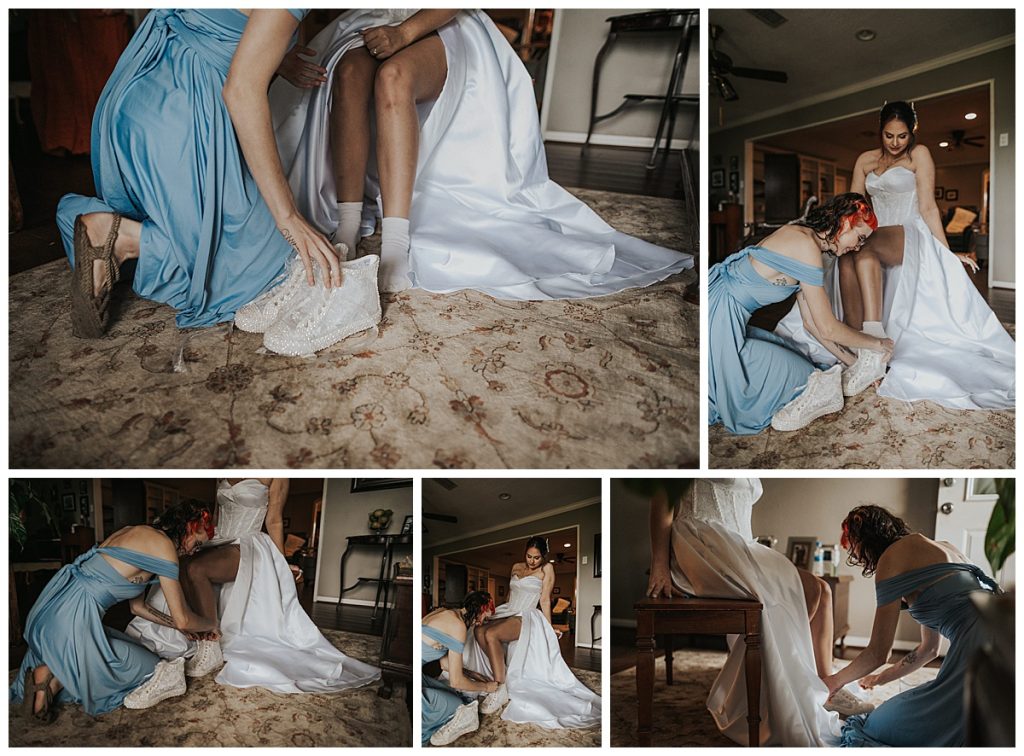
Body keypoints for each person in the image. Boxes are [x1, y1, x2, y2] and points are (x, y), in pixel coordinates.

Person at [268, 9, 692, 303]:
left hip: (441, 23)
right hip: (365, 22)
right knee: (348, 73)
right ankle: (347, 224)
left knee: (393, 78)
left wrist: (404, 33)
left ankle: (396, 244)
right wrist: (280, 54)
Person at [58, 10, 344, 338]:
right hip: (180, 119)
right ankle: (122, 235)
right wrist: (288, 215)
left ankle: (121, 233)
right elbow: (240, 91)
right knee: (265, 271)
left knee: (228, 246)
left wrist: (269, 54)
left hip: (133, 102)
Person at [776, 101, 1014, 406]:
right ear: (880, 131)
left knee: (865, 249)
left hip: (908, 230)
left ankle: (875, 346)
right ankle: (854, 341)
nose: (896, 143)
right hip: (874, 229)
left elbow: (927, 207)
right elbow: (853, 209)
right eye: (889, 135)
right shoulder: (865, 160)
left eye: (902, 136)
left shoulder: (920, 155)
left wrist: (947, 251)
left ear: (912, 131)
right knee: (848, 255)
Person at [646, 478, 871, 746]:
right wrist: (659, 563)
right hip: (703, 543)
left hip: (742, 545)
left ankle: (829, 686)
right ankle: (780, 688)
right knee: (776, 601)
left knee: (820, 589)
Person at [126, 479, 379, 693]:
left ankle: (210, 644)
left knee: (196, 568)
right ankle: (188, 628)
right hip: (219, 538)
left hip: (248, 543)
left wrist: (281, 564)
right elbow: (215, 516)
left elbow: (275, 521)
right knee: (181, 563)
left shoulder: (277, 472)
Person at [10, 501, 218, 719]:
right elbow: (184, 618)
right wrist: (211, 623)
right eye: (197, 543)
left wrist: (177, 626)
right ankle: (57, 670)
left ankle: (50, 681)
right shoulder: (163, 546)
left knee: (139, 652)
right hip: (72, 619)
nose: (194, 551)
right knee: (153, 669)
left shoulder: (141, 534)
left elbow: (138, 608)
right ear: (187, 528)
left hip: (57, 611)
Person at [708, 193, 893, 435]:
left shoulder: (808, 241)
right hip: (719, 317)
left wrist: (857, 364)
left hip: (724, 311)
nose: (857, 247)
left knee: (812, 370)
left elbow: (812, 325)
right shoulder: (805, 245)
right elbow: (828, 327)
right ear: (846, 222)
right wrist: (878, 343)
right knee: (806, 378)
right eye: (859, 238)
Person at [826, 505, 1002, 747]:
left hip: (985, 645)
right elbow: (929, 649)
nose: (854, 555)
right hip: (1003, 629)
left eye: (852, 544)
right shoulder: (937, 546)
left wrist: (833, 682)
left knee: (876, 725)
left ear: (864, 535)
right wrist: (880, 679)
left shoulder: (893, 557)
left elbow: (879, 652)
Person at [463, 536, 602, 729]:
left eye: (537, 558)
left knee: (491, 634)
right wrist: (496, 611)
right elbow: (511, 594)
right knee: (478, 630)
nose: (532, 561)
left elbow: (544, 600)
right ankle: (494, 671)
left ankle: (500, 686)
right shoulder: (515, 567)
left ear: (543, 557)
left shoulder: (547, 570)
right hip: (510, 609)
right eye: (529, 556)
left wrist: (548, 627)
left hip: (527, 615)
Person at [422, 591, 500, 746]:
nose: (482, 622)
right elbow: (456, 682)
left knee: (457, 699)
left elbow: (444, 664)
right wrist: (486, 686)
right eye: (486, 617)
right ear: (480, 611)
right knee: (455, 706)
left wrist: (473, 674)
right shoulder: (458, 627)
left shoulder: (445, 612)